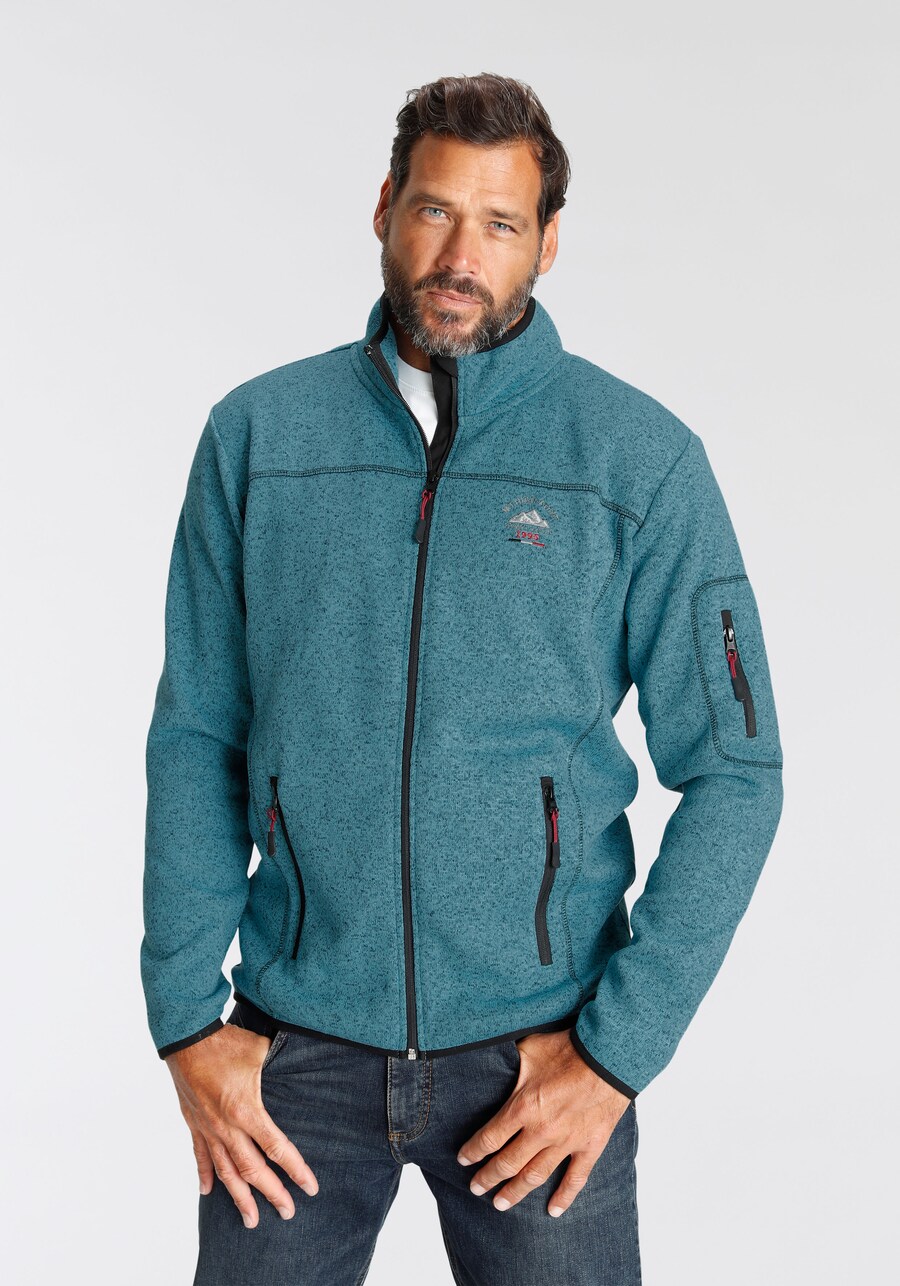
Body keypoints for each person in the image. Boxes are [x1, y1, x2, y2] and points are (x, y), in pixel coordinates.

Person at [141, 72, 784, 1285]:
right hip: (295, 1055)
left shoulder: (637, 461)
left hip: (538, 1062)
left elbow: (738, 771)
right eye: (436, 210)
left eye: (499, 223)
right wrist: (185, 1019)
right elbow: (197, 735)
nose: (460, 256)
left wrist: (615, 1053)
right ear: (384, 206)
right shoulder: (261, 439)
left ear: (548, 241)